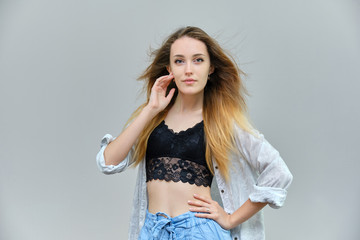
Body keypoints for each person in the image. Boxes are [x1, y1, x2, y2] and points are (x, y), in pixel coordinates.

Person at [96, 26, 293, 240]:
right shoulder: (153, 118)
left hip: (197, 231)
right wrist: (150, 108)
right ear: (169, 68)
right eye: (179, 61)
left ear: (210, 68)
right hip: (152, 230)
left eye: (198, 60)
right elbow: (108, 162)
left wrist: (230, 219)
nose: (188, 70)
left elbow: (278, 172)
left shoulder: (222, 122)